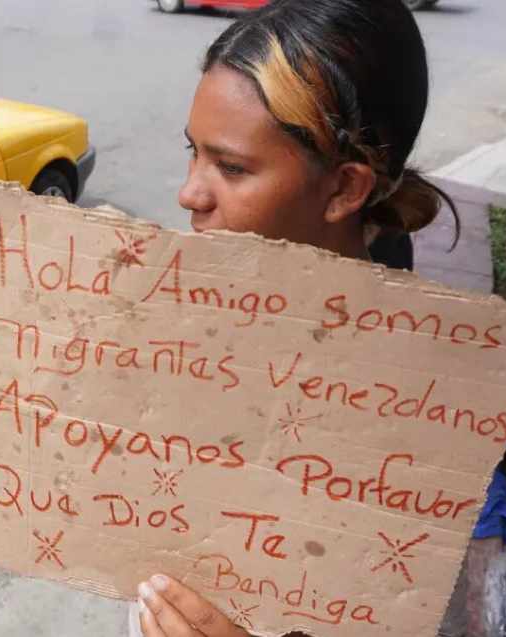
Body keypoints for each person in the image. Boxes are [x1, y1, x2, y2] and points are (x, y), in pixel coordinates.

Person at [129, 2, 463, 636]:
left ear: (344, 190)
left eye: (229, 167)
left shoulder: (411, 416)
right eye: (192, 152)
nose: (189, 193)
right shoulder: (197, 308)